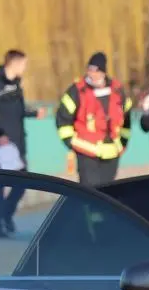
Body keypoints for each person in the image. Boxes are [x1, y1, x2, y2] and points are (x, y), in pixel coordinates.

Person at [0, 49, 39, 237]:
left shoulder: (16, 86)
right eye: (23, 64)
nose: (24, 68)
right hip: (0, 145)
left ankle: (6, 214)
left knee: (23, 181)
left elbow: (18, 110)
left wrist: (33, 113)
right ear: (14, 63)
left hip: (17, 144)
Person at [56, 52, 134, 188]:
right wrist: (71, 143)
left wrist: (123, 144)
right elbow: (63, 119)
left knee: (108, 195)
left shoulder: (117, 90)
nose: (92, 73)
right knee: (89, 194)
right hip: (86, 152)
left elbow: (126, 120)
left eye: (96, 70)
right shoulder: (76, 91)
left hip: (112, 153)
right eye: (89, 69)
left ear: (103, 72)